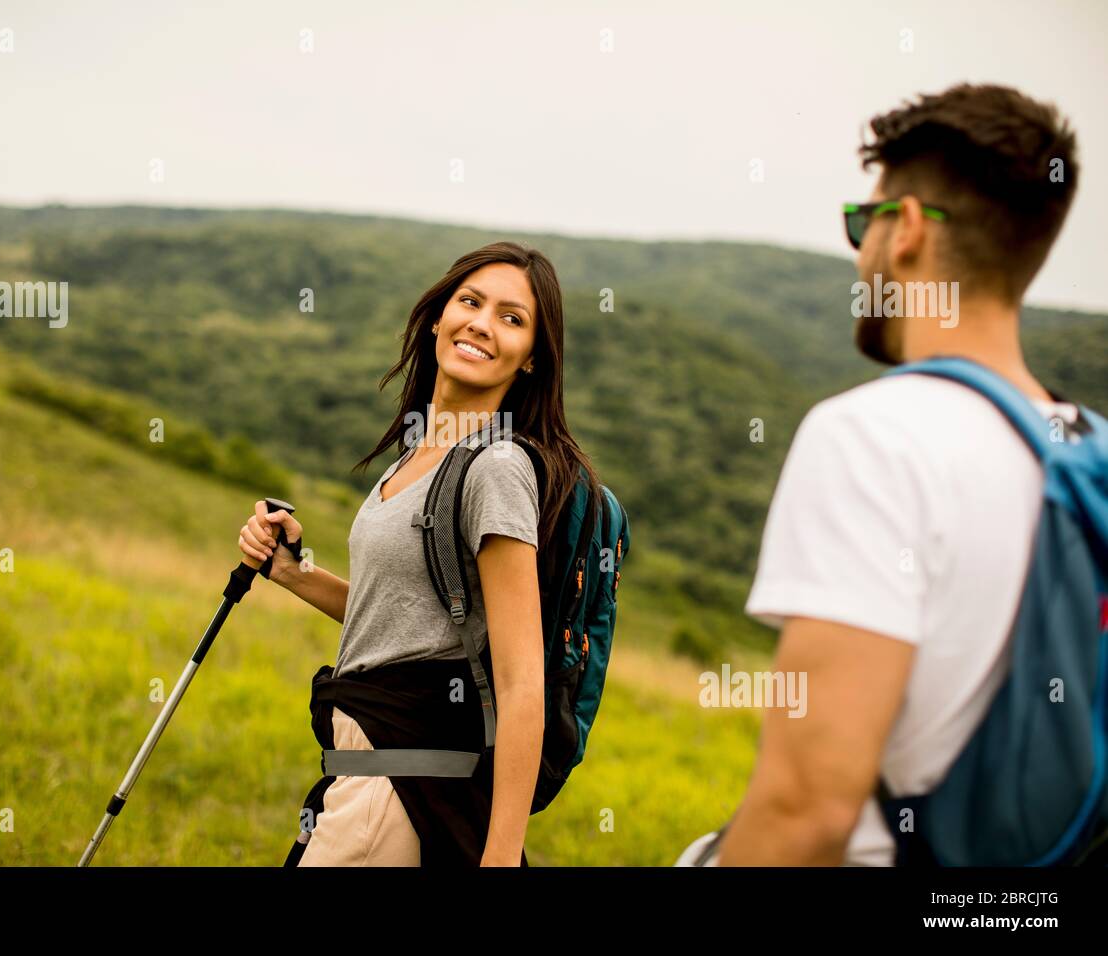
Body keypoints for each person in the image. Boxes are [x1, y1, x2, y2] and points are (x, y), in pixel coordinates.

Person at [679, 82, 1083, 865]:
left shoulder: (871, 438)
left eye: (863, 222)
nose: (858, 252)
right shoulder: (1084, 450)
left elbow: (806, 811)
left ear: (902, 231)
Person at [238, 241, 602, 866]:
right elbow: (402, 623)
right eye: (471, 302)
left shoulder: (496, 470)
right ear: (439, 316)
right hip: (365, 774)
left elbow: (521, 686)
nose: (483, 324)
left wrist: (499, 858)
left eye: (512, 319)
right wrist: (293, 572)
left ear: (534, 358)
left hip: (399, 786)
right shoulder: (416, 457)